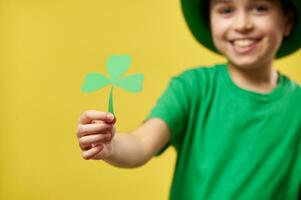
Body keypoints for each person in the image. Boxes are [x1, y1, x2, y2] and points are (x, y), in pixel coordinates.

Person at [76, 0, 301, 199]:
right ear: (209, 19)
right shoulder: (193, 87)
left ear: (288, 21)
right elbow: (141, 144)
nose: (242, 24)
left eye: (260, 8)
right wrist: (111, 145)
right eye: (225, 10)